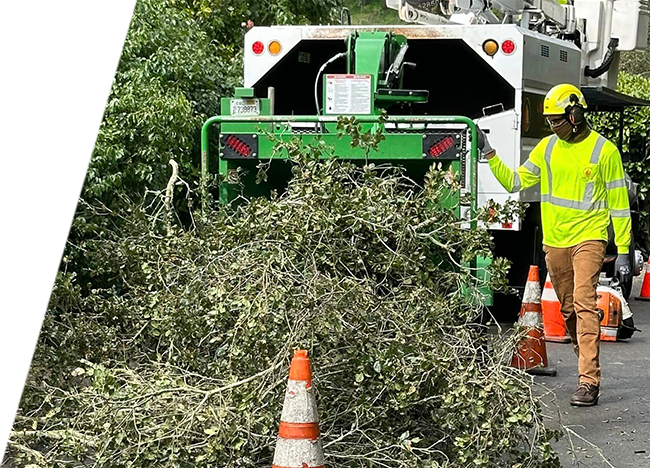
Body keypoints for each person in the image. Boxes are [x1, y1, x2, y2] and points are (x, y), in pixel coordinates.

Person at [477, 83, 632, 407]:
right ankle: (583, 360)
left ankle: (588, 380)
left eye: (557, 120)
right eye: (549, 121)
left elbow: (618, 204)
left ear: (575, 114)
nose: (553, 126)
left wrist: (623, 251)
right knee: (569, 309)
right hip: (556, 242)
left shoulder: (603, 152)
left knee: (584, 302)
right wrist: (489, 152)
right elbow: (515, 182)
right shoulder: (547, 149)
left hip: (589, 238)